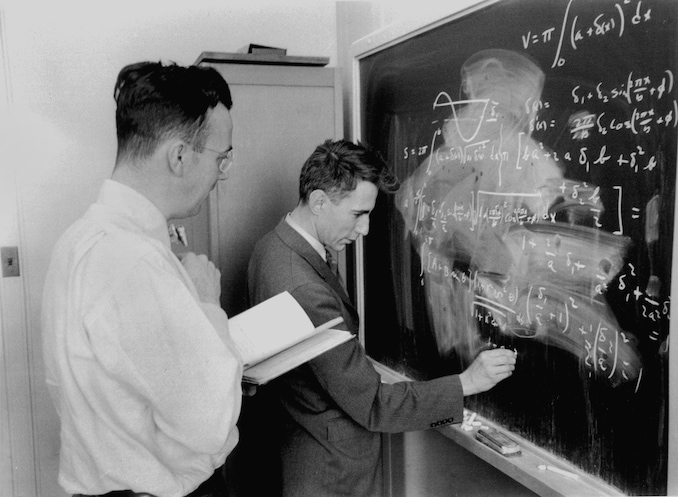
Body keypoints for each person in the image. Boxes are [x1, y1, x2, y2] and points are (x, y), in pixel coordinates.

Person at [247, 139, 516, 497]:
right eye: (358, 214)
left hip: (302, 450)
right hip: (330, 474)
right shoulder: (305, 289)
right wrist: (466, 383)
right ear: (318, 202)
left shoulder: (272, 247)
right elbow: (373, 405)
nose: (365, 230)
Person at [41, 61, 244, 497]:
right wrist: (208, 305)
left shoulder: (75, 242)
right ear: (178, 156)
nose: (221, 175)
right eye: (221, 158)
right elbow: (209, 425)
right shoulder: (135, 262)